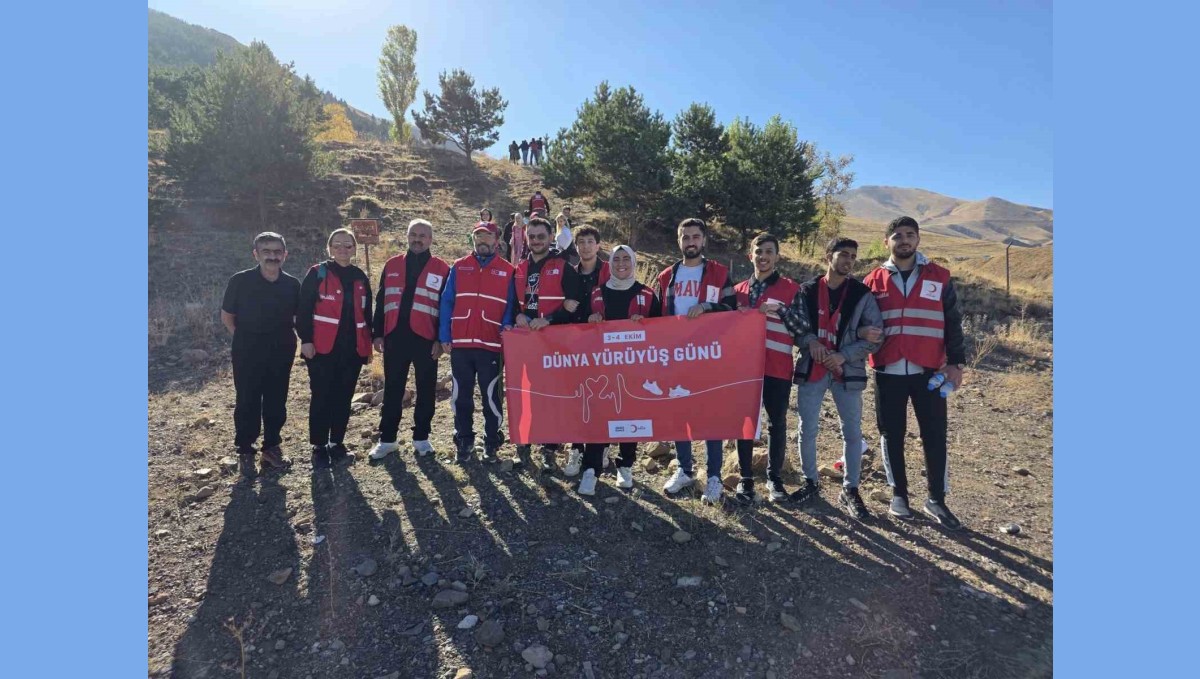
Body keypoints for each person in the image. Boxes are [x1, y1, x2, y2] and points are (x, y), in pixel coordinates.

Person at [864, 216, 967, 528]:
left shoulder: (940, 276)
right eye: (897, 235)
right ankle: (899, 496)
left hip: (930, 370)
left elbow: (953, 322)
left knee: (934, 435)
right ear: (887, 242)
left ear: (918, 239)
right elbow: (860, 322)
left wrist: (956, 364)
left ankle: (936, 499)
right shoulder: (873, 280)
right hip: (888, 368)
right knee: (890, 434)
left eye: (910, 235)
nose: (904, 240)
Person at [773, 237, 883, 519]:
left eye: (853, 256)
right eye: (843, 254)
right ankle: (811, 482)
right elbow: (796, 328)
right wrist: (811, 341)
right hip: (813, 368)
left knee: (852, 432)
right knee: (807, 427)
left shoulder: (862, 294)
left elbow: (875, 336)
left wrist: (844, 354)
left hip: (848, 371)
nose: (848, 260)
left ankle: (851, 489)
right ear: (828, 256)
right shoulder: (807, 291)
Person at [655, 218, 737, 503]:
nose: (690, 241)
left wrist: (706, 307)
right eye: (685, 236)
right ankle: (685, 469)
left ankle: (714, 476)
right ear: (679, 241)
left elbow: (731, 309)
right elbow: (659, 317)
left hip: (708, 356)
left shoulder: (719, 273)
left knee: (710, 414)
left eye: (695, 236)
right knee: (680, 413)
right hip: (676, 357)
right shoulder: (667, 276)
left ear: (704, 240)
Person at [579, 244, 661, 494]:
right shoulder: (596, 294)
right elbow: (579, 330)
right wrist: (590, 320)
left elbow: (663, 333)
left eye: (627, 259)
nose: (622, 263)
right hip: (601, 371)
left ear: (634, 263)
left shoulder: (647, 294)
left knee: (630, 417)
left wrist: (646, 325)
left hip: (634, 370)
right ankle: (591, 469)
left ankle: (625, 466)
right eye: (617, 259)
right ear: (610, 263)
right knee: (598, 418)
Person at [367, 220, 450, 461]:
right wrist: (377, 333)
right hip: (394, 337)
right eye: (413, 234)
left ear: (430, 239)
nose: (417, 239)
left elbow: (445, 308)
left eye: (422, 235)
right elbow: (382, 300)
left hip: (426, 339)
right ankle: (387, 440)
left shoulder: (442, 268)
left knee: (426, 390)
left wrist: (439, 339)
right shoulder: (392, 264)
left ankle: (422, 438)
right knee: (393, 389)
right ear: (407, 236)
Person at [220, 232, 301, 476]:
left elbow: (298, 318)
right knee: (247, 400)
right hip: (247, 351)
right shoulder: (240, 281)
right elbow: (227, 317)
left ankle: (271, 448)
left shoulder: (293, 284)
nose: (272, 256)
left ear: (285, 255)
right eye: (266, 251)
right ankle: (245, 450)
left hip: (282, 351)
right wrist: (246, 339)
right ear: (256, 254)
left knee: (277, 400)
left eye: (277, 252)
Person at [439, 221, 518, 463]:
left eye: (487, 237)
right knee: (460, 395)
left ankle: (491, 442)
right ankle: (463, 441)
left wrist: (505, 327)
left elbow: (511, 305)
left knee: (491, 396)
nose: (482, 242)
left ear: (497, 241)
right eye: (478, 237)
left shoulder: (507, 270)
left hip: (491, 344)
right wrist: (444, 335)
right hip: (461, 343)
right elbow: (446, 301)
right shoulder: (459, 266)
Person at [731, 233, 801, 504]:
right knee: (746, 424)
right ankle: (746, 480)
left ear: (777, 256)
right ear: (751, 256)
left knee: (777, 424)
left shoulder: (791, 289)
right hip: (744, 371)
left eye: (769, 251)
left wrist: (781, 311)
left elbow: (802, 328)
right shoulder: (737, 292)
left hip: (777, 367)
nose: (763, 256)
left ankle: (775, 480)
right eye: (759, 251)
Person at [297, 229, 374, 471]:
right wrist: (306, 339)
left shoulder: (360, 276)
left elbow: (366, 315)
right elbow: (303, 308)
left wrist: (367, 345)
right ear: (329, 248)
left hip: (352, 350)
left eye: (348, 245)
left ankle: (336, 443)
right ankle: (319, 447)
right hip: (321, 349)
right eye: (337, 244)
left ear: (354, 248)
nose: (343, 249)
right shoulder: (318, 272)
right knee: (322, 396)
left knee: (343, 397)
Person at [513, 217, 583, 471]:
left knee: (551, 395)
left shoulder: (563, 267)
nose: (536, 241)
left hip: (554, 341)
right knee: (526, 394)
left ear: (551, 237)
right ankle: (523, 444)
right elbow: (511, 302)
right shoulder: (519, 268)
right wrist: (516, 315)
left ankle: (549, 448)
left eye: (541, 236)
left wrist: (551, 320)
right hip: (525, 342)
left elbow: (575, 302)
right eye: (531, 237)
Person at [561, 225, 610, 478]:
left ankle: (602, 447)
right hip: (575, 345)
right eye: (581, 242)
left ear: (598, 245)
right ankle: (576, 447)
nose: (585, 246)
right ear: (576, 246)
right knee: (577, 396)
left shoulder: (609, 271)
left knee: (601, 396)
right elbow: (558, 298)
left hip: (603, 346)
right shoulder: (569, 273)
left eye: (590, 241)